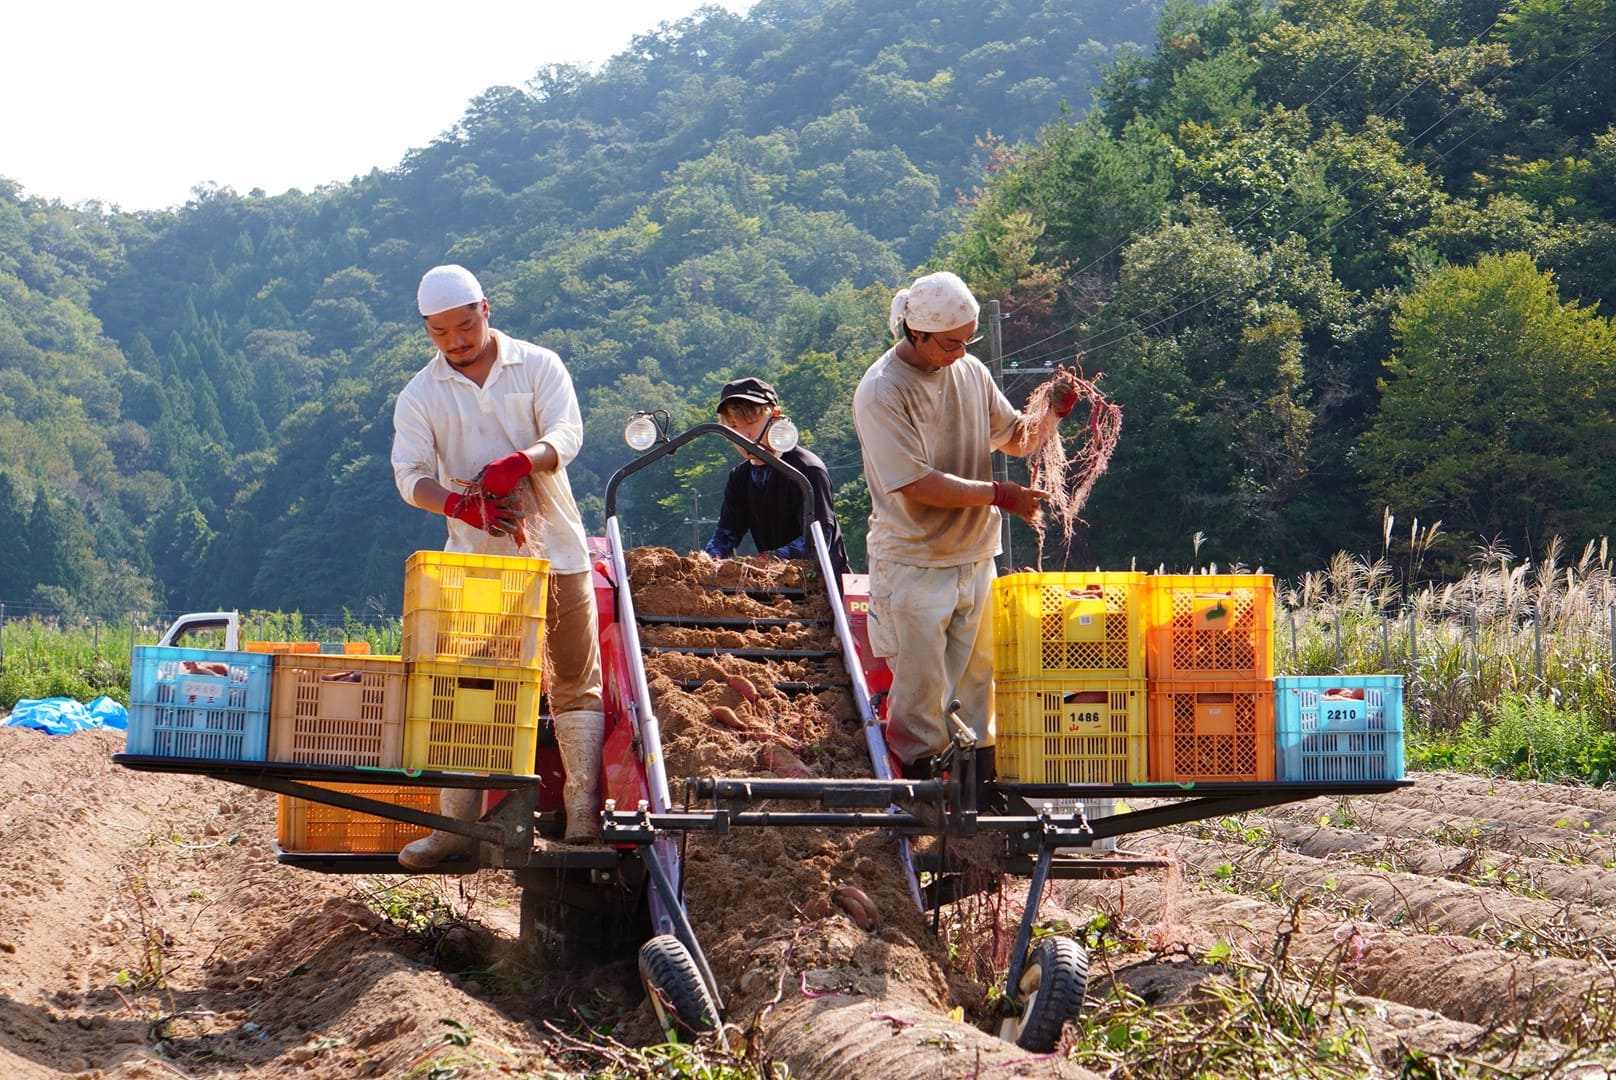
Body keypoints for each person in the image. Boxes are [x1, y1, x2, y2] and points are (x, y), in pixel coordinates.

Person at [390, 264, 606, 860]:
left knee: (573, 681)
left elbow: (568, 433)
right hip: (475, 563)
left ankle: (584, 817)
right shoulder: (421, 394)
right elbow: (409, 476)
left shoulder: (538, 365)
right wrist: (461, 504)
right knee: (468, 687)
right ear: (427, 330)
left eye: (464, 326)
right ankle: (455, 831)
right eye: (440, 333)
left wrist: (523, 461)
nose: (455, 341)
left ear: (487, 309)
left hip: (556, 551)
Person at [852, 271, 1079, 789]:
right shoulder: (882, 390)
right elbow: (915, 483)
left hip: (975, 551)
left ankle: (978, 789)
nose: (960, 351)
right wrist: (1000, 495)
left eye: (967, 341)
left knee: (979, 680)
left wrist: (1052, 413)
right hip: (912, 558)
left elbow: (1017, 439)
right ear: (917, 334)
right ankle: (921, 793)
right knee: (921, 688)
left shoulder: (971, 371)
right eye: (951, 343)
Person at [703, 377, 851, 583]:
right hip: (775, 585)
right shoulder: (740, 477)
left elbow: (818, 540)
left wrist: (767, 560)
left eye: (752, 422)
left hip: (824, 586)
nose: (744, 434)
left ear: (775, 417)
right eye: (734, 426)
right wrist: (706, 561)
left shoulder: (807, 470)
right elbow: (727, 534)